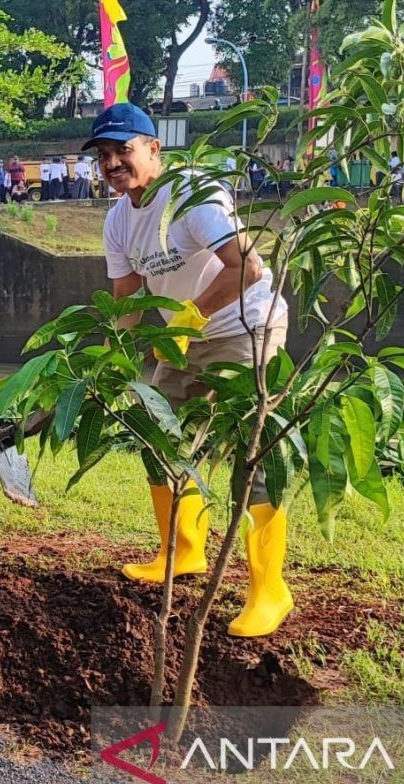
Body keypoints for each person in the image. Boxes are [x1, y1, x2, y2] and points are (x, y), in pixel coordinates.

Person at [84, 102, 292, 638]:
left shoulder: (194, 196)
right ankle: (183, 552)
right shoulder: (116, 220)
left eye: (122, 150)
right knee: (160, 440)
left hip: (244, 330)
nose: (111, 164)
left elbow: (248, 267)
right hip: (180, 341)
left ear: (154, 148)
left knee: (253, 455)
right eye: (103, 155)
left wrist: (188, 319)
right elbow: (126, 302)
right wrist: (107, 361)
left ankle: (269, 590)